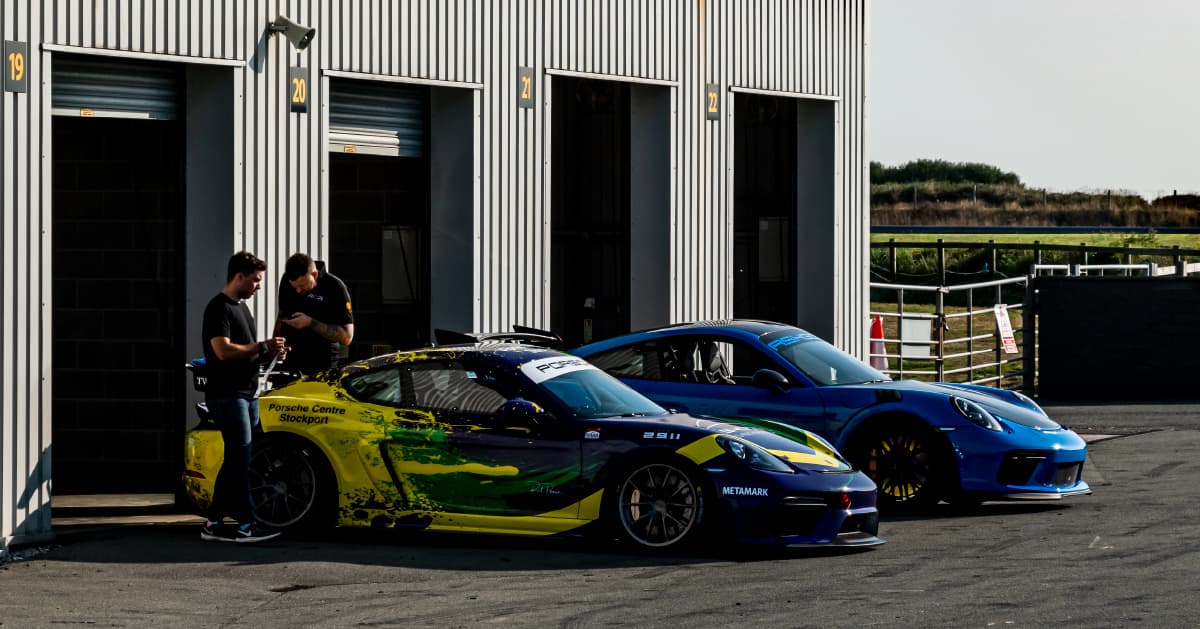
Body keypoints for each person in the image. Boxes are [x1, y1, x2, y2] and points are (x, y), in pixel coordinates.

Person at [199, 251, 286, 544]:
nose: (258, 286)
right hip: (228, 396)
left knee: (238, 459)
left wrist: (270, 352)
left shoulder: (242, 309)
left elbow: (247, 352)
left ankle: (212, 522)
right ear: (239, 277)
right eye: (256, 280)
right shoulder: (218, 309)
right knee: (241, 459)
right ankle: (246, 525)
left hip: (247, 395)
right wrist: (262, 347)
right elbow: (223, 351)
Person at [274, 253, 355, 376]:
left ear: (315, 275)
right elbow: (281, 317)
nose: (298, 291)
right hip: (291, 364)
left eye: (302, 285)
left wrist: (310, 322)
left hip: (321, 367)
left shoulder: (335, 287)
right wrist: (275, 348)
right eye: (294, 287)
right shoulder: (287, 281)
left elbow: (347, 337)